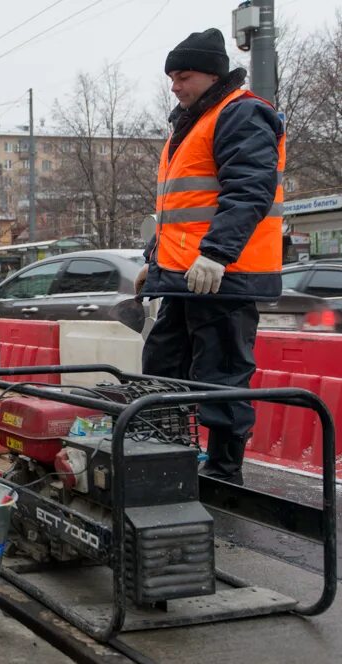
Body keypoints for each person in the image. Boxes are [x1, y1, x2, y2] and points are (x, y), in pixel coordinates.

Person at [136, 28, 285, 485]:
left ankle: (223, 473)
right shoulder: (192, 125)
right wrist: (155, 260)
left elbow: (250, 189)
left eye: (182, 76)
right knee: (163, 368)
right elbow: (178, 210)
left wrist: (217, 254)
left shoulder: (240, 114)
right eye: (172, 78)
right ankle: (166, 458)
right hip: (184, 275)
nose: (175, 86)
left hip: (225, 276)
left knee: (220, 374)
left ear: (211, 75)